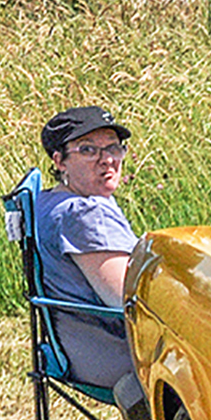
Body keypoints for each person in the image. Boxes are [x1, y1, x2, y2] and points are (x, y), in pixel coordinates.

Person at [36, 105, 138, 389]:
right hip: (116, 355)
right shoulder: (84, 214)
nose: (107, 160)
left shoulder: (47, 202)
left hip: (78, 345)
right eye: (88, 150)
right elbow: (128, 300)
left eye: (114, 148)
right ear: (60, 161)